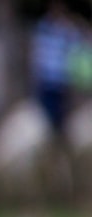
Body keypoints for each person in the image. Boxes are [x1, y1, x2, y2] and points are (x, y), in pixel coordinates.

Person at [31, 0, 92, 135]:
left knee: (61, 114)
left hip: (60, 78)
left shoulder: (67, 29)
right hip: (46, 77)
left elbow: (79, 45)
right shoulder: (43, 26)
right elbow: (38, 52)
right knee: (46, 114)